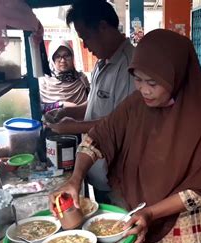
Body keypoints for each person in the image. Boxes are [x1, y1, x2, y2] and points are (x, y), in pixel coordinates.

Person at [49, 29, 201, 243]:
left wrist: (151, 213)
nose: (144, 89)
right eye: (138, 79)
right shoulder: (136, 106)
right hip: (141, 222)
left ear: (177, 77)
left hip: (184, 238)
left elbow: (200, 190)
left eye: (152, 82)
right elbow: (97, 138)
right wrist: (75, 178)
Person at [45, 0, 135, 204]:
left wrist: (74, 127)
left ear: (103, 26)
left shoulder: (130, 66)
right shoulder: (102, 63)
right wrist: (70, 114)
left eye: (86, 37)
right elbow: (96, 106)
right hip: (96, 168)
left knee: (120, 229)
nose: (85, 45)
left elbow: (122, 121)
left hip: (118, 177)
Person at [39, 39, 90, 113]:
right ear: (52, 59)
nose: (63, 60)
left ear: (72, 57)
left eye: (66, 55)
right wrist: (60, 105)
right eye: (58, 56)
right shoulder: (44, 81)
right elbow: (38, 108)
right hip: (52, 123)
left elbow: (92, 103)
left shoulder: (81, 78)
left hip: (80, 123)